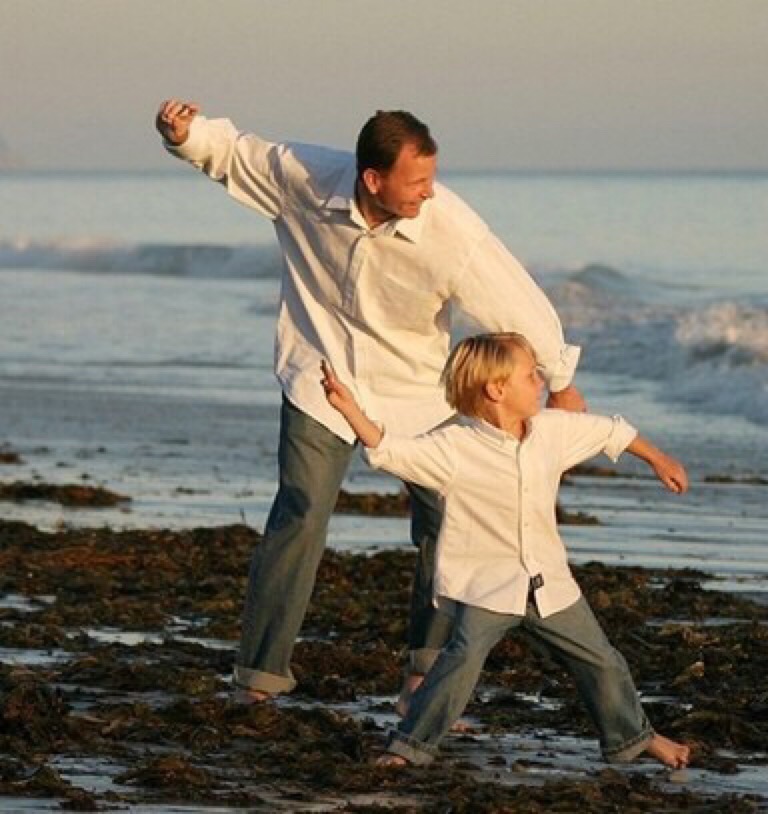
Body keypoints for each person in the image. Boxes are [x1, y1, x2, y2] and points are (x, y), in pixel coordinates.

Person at [154, 100, 587, 705]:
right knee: (300, 514)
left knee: (448, 524)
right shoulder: (305, 178)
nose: (428, 195)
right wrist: (186, 135)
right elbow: (234, 154)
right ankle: (258, 678)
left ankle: (422, 680)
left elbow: (514, 298)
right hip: (320, 379)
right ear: (371, 179)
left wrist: (560, 378)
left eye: (432, 179)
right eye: (416, 183)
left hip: (417, 393)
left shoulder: (450, 229)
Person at [320, 333, 691, 769]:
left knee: (603, 661)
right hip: (489, 586)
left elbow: (612, 431)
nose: (540, 383)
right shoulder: (454, 446)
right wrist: (350, 411)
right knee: (458, 662)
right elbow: (391, 452)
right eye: (531, 376)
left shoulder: (551, 431)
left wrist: (659, 460)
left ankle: (637, 737)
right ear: (497, 389)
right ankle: (408, 747)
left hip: (549, 583)